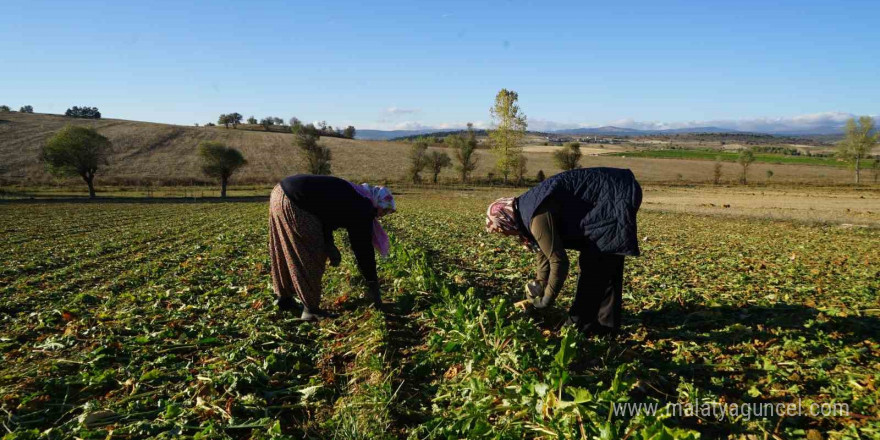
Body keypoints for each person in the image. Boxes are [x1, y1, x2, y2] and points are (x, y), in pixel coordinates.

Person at [485, 167, 642, 336]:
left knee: (595, 266)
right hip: (615, 191)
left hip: (613, 196)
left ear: (506, 220)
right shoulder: (526, 210)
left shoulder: (536, 218)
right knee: (608, 265)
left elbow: (558, 261)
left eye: (502, 230)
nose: (507, 235)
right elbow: (544, 254)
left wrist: (546, 301)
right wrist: (539, 284)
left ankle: (576, 327)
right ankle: (606, 327)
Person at [268, 174, 396, 321]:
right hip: (296, 200)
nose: (382, 215)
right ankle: (311, 310)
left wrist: (329, 243)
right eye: (384, 210)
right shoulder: (363, 206)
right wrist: (372, 282)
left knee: (284, 248)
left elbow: (324, 212)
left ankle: (284, 299)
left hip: (279, 193)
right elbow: (362, 247)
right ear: (377, 201)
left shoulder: (355, 193)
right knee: (312, 255)